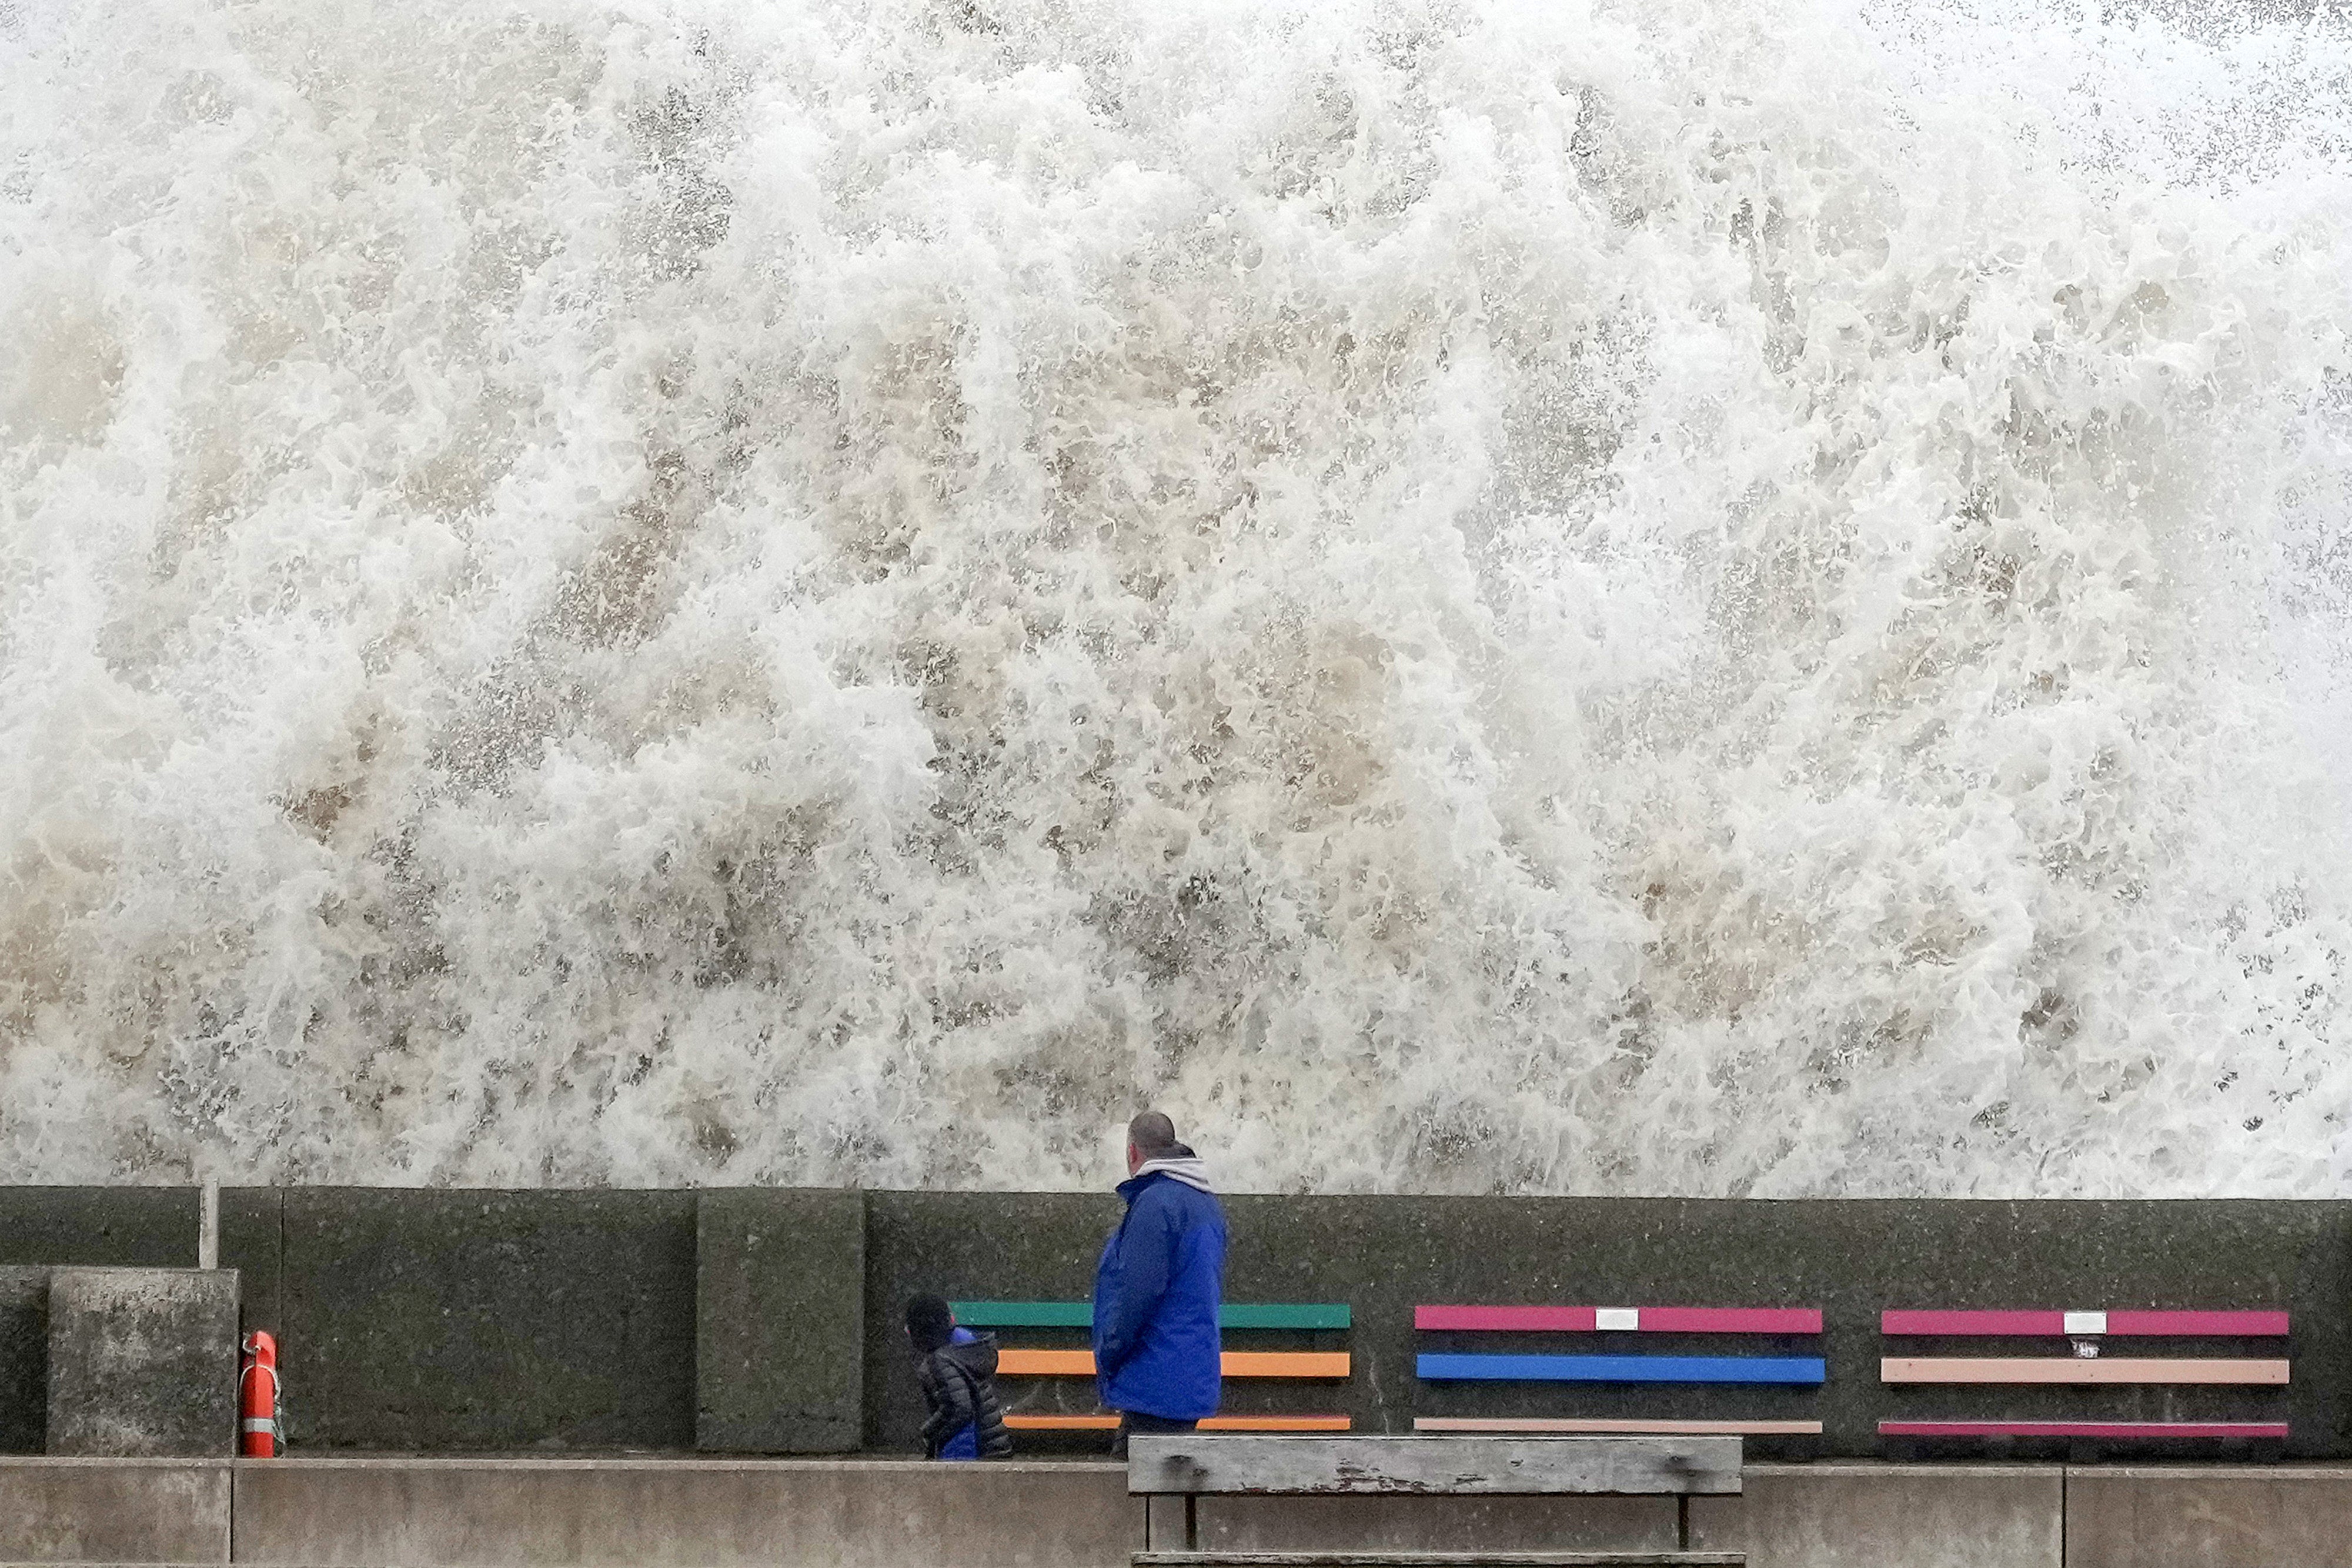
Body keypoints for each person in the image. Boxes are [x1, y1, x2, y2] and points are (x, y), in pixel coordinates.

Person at [1091, 1110, 1227, 1454]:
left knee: (1128, 1495)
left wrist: (1109, 1351)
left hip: (1155, 1377)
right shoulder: (1204, 1203)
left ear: (1133, 1152)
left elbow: (1136, 1292)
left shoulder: (1155, 1204)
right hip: (1188, 1372)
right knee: (1162, 1494)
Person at [906, 1293, 1013, 1460]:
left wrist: (929, 1432)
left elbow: (960, 1409)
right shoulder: (966, 1345)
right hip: (994, 1447)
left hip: (973, 1454)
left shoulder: (940, 1361)